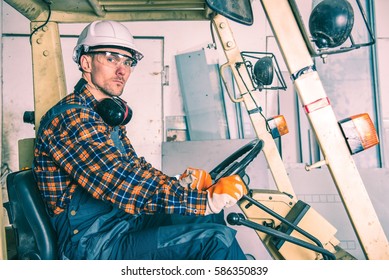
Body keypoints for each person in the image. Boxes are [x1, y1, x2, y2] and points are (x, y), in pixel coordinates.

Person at [33, 20, 248, 260]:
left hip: (120, 222)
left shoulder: (103, 115)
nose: (122, 70)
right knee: (217, 242)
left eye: (127, 61)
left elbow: (135, 168)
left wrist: (179, 184)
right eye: (111, 58)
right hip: (93, 245)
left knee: (204, 218)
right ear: (86, 62)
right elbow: (119, 180)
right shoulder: (71, 118)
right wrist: (202, 200)